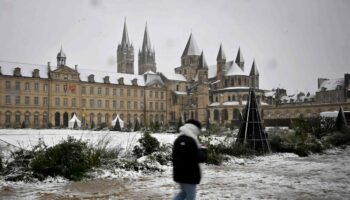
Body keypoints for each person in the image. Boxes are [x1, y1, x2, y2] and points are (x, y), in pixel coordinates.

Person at [172, 119, 208, 200]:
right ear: (194, 129)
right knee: (190, 197)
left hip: (179, 174)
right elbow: (200, 158)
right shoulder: (191, 141)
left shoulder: (179, 139)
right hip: (189, 175)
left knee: (183, 194)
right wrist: (204, 149)